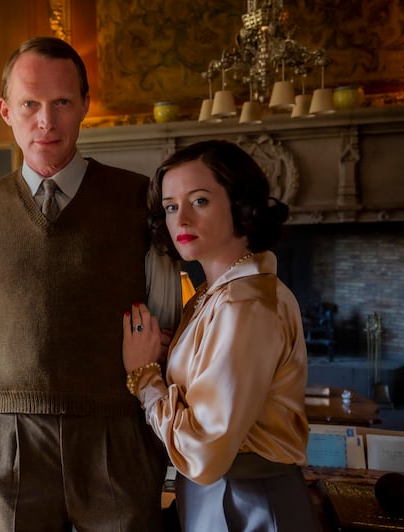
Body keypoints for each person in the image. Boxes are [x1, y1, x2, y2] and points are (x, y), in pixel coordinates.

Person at [0, 36, 181, 530]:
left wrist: (158, 425)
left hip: (119, 433)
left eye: (61, 102)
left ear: (84, 104)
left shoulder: (139, 198)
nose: (46, 120)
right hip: (12, 436)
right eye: (30, 104)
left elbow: (166, 325)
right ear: (6, 110)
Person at [122, 140, 320, 531]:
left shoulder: (242, 304)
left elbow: (204, 450)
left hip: (247, 502)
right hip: (222, 496)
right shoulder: (213, 296)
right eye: (171, 206)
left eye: (199, 201)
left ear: (241, 206)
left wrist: (144, 376)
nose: (181, 219)